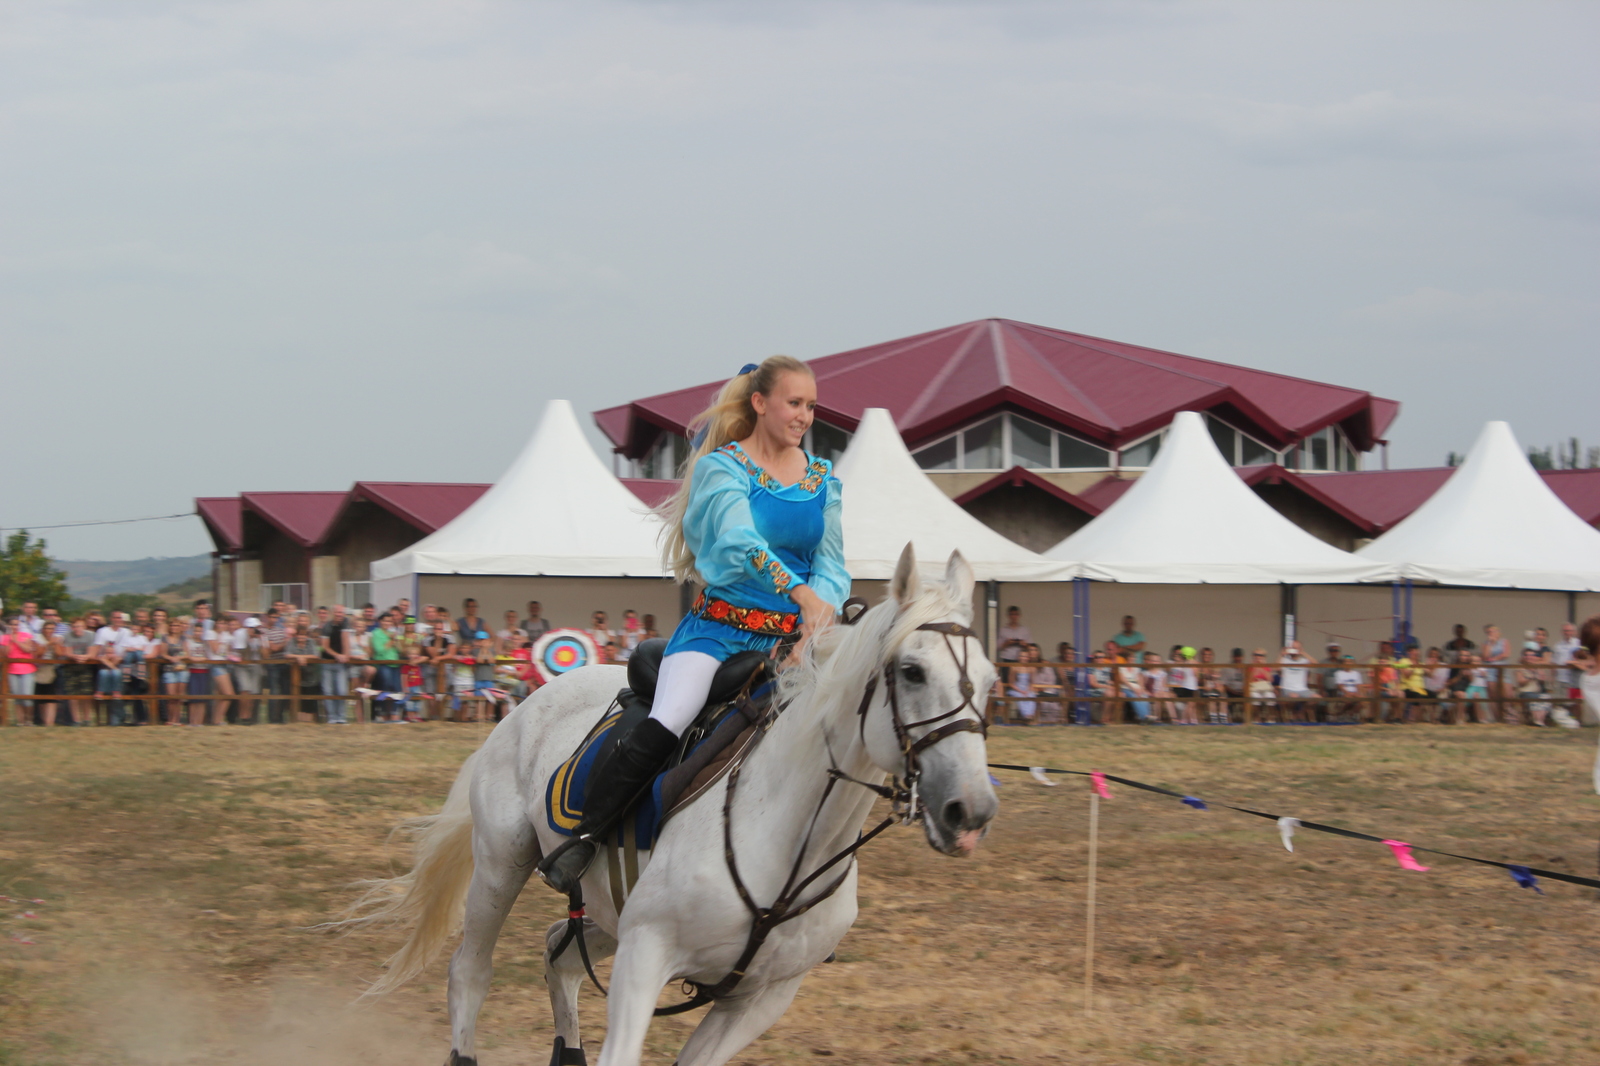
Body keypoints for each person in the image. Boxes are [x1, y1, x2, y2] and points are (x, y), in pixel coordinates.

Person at [538, 355, 850, 893]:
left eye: (811, 406)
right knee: (673, 715)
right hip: (718, 634)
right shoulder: (722, 469)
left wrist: (815, 623)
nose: (805, 415)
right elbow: (738, 541)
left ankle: (807, 886)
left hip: (794, 639)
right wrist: (798, 592)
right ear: (760, 403)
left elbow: (833, 564)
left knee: (843, 728)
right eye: (794, 403)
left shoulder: (823, 479)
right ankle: (585, 838)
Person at [319, 604, 352, 725]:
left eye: (341, 613)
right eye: (337, 613)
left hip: (341, 663)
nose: (340, 615)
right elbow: (325, 646)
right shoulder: (327, 626)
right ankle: (332, 717)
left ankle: (341, 717)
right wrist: (337, 655)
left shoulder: (346, 623)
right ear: (333, 613)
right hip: (327, 662)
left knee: (342, 690)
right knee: (328, 691)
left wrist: (346, 655)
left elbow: (346, 639)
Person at [2, 619, 38, 721]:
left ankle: (29, 719)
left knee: (27, 696)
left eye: (16, 625)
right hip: (12, 670)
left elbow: (27, 649)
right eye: (12, 624)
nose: (14, 627)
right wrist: (10, 640)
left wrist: (16, 640)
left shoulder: (26, 635)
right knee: (17, 697)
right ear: (9, 626)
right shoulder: (5, 638)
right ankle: (20, 721)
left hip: (27, 669)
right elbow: (6, 654)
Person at [1278, 640, 1314, 723]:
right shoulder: (1285, 659)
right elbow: (1277, 668)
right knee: (1294, 697)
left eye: (1296, 648)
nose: (1294, 650)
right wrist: (1281, 654)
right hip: (1288, 688)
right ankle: (1294, 714)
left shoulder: (1304, 660)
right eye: (1292, 648)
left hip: (1302, 689)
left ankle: (1299, 713)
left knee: (1316, 699)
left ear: (1300, 649)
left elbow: (1316, 663)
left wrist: (1303, 653)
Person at [1247, 649, 1276, 723]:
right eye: (1256, 655)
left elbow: (1270, 679)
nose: (1258, 657)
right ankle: (1257, 717)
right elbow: (1249, 679)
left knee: (1270, 696)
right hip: (1255, 688)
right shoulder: (1250, 666)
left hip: (1265, 687)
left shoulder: (1266, 667)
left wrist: (1261, 667)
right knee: (1255, 697)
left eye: (1260, 655)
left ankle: (1270, 717)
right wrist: (1255, 668)